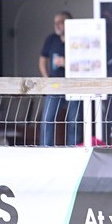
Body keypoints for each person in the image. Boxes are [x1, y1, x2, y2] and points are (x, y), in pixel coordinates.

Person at [38, 11, 82, 146]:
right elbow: (42, 60)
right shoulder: (51, 39)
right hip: (55, 85)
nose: (57, 25)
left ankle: (73, 149)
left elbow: (85, 61)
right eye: (55, 22)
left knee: (74, 120)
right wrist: (46, 79)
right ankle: (45, 149)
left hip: (74, 84)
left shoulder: (77, 39)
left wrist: (67, 62)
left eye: (60, 22)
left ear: (68, 23)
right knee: (48, 119)